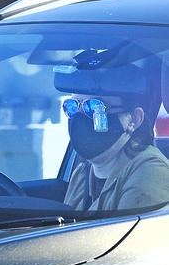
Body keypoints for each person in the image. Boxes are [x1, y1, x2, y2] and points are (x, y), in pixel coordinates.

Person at [58, 63, 169, 211]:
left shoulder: (151, 172)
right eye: (72, 106)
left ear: (134, 119)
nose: (79, 117)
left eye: (94, 108)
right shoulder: (82, 173)